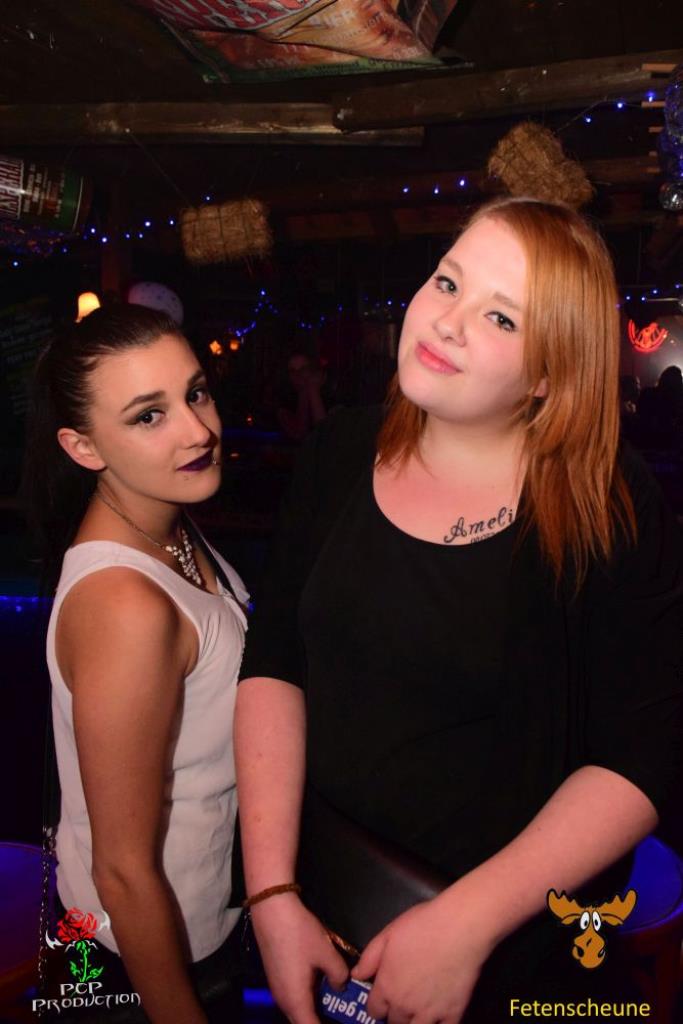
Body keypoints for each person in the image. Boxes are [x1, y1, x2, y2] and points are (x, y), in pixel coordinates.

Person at [234, 198, 683, 1024]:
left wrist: (464, 926)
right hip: (323, 909)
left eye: (500, 317)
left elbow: (638, 760)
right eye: (447, 282)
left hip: (510, 950)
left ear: (548, 375)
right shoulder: (338, 451)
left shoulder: (608, 506)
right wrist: (271, 895)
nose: (446, 321)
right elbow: (273, 663)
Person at [24, 305, 249, 1023]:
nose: (197, 430)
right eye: (148, 416)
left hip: (197, 924)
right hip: (147, 961)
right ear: (83, 447)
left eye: (195, 393)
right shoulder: (126, 604)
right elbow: (121, 871)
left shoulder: (168, 523)